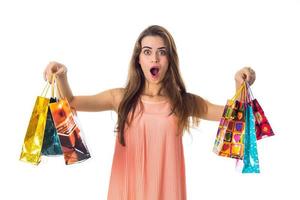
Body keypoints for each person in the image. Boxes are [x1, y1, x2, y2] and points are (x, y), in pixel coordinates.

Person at [43, 25, 256, 200]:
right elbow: (70, 102)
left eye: (161, 52)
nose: (154, 59)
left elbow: (233, 115)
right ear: (139, 59)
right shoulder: (121, 98)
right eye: (147, 52)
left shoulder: (183, 102)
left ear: (170, 59)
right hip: (126, 192)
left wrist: (238, 83)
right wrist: (62, 75)